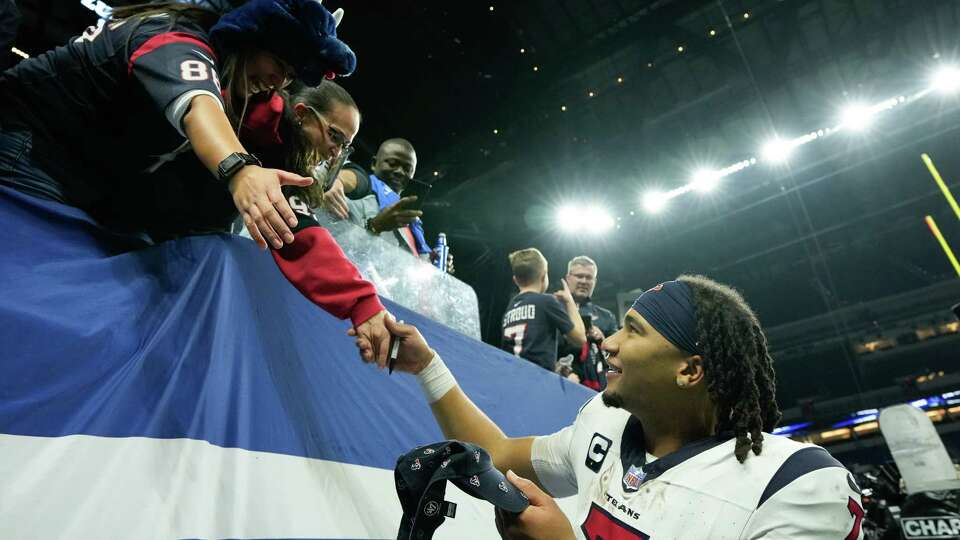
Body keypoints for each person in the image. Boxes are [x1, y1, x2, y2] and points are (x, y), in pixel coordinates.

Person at [0, 0, 393, 363]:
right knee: (37, 300)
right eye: (278, 63)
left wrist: (363, 305)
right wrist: (240, 169)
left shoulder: (254, 103)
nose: (278, 83)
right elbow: (196, 103)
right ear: (249, 37)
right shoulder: (174, 37)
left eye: (290, 75)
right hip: (27, 145)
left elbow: (291, 216)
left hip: (84, 179)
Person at [352, 275, 865, 539]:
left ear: (690, 370)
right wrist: (427, 366)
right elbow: (498, 450)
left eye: (634, 331)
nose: (609, 343)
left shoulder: (797, 484)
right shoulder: (607, 421)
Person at [324, 138, 431, 258]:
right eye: (392, 163)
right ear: (374, 164)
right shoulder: (352, 194)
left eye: (407, 169)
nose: (400, 171)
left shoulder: (412, 218)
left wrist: (428, 261)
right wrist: (375, 226)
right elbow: (336, 249)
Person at [500, 248, 586, 372]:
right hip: (538, 380)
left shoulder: (509, 309)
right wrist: (570, 301)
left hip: (511, 374)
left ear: (516, 280)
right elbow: (580, 339)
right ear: (544, 276)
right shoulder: (547, 301)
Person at [559, 256, 619, 390]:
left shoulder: (606, 316)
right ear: (568, 278)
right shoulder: (554, 309)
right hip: (561, 382)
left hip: (600, 389)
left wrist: (602, 339)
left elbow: (620, 354)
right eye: (579, 276)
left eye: (589, 277)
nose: (584, 281)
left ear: (595, 281)